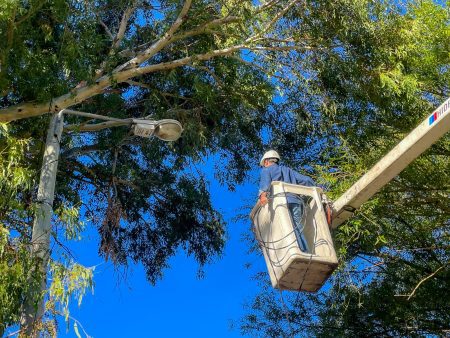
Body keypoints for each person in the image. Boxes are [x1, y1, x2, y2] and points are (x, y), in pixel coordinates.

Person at [258, 150, 315, 253]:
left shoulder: (266, 170)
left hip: (281, 203)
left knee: (288, 229)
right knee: (297, 227)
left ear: (266, 162)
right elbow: (306, 180)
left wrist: (263, 196)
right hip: (297, 202)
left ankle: (299, 251)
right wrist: (317, 188)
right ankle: (306, 252)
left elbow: (265, 185)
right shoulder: (288, 170)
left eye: (264, 165)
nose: (263, 166)